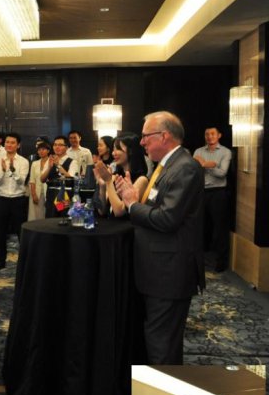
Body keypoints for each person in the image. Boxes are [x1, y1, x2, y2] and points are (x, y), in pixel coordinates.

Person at [115, 111, 205, 364]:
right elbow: (156, 207)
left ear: (164, 136)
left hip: (169, 273)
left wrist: (132, 205)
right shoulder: (167, 166)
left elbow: (167, 219)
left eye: (146, 136)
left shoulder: (184, 167)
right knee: (157, 340)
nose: (142, 142)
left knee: (161, 344)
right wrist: (136, 199)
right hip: (158, 270)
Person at [193, 127, 232, 272]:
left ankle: (221, 262)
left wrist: (204, 165)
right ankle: (199, 259)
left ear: (219, 135)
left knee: (219, 228)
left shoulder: (225, 152)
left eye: (213, 134)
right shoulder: (198, 151)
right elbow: (194, 170)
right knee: (199, 225)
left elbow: (222, 173)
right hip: (201, 192)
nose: (209, 136)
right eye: (207, 134)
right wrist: (208, 165)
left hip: (218, 192)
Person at [0, 133, 29, 271]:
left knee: (21, 232)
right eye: (7, 142)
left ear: (18, 145)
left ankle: (24, 260)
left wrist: (12, 170)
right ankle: (0, 260)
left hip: (18, 200)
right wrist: (3, 170)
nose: (9, 145)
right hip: (2, 199)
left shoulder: (23, 161)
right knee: (0, 232)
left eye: (12, 142)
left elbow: (21, 181)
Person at [94, 133, 148, 217]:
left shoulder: (142, 180)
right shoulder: (115, 176)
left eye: (118, 149)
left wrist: (108, 182)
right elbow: (102, 211)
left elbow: (119, 212)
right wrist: (102, 186)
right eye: (113, 149)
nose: (113, 153)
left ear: (131, 151)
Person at [41, 136, 78, 218]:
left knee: (62, 219)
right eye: (55, 145)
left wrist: (58, 165)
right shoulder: (49, 160)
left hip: (65, 197)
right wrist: (49, 167)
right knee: (50, 220)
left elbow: (71, 179)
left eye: (60, 145)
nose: (57, 147)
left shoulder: (73, 162)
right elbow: (42, 179)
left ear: (67, 147)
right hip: (51, 195)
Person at [28, 141, 51, 221]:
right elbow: (32, 180)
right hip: (36, 192)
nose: (41, 151)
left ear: (48, 151)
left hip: (48, 192)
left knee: (46, 214)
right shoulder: (34, 163)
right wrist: (34, 194)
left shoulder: (51, 162)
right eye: (39, 150)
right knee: (36, 215)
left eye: (43, 149)